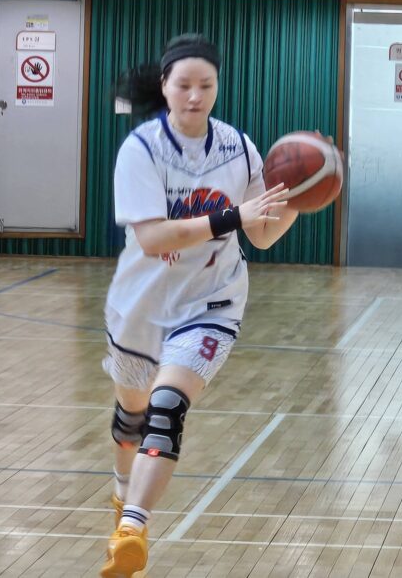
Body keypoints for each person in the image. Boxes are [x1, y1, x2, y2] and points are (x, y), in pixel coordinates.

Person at [100, 34, 298, 577]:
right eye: (184, 84)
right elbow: (152, 239)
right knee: (132, 417)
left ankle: (132, 529)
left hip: (212, 302)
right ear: (164, 85)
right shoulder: (141, 149)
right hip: (143, 304)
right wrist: (231, 216)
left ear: (217, 87)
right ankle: (122, 492)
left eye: (205, 85)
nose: (194, 95)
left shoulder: (238, 147)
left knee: (166, 409)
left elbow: (261, 235)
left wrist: (299, 198)